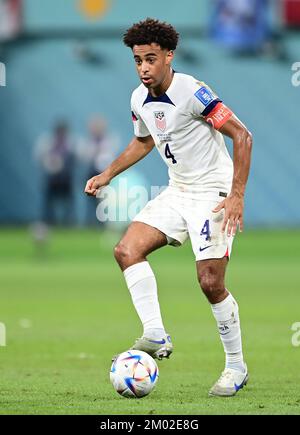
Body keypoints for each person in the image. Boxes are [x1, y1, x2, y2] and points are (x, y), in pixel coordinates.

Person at [85, 18, 252, 397]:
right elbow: (143, 141)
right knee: (126, 250)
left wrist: (237, 194)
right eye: (137, 60)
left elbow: (242, 135)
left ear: (169, 56)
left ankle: (236, 366)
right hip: (178, 191)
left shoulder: (194, 92)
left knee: (210, 283)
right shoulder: (138, 98)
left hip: (213, 194)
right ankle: (155, 332)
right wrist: (107, 173)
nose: (144, 67)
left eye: (151, 59)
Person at [35, 120, 75, 225]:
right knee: (49, 203)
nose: (61, 133)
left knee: (68, 203)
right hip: (52, 179)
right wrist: (50, 162)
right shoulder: (48, 142)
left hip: (65, 179)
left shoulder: (70, 143)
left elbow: (78, 157)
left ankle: (68, 223)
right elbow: (39, 157)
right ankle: (48, 222)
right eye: (59, 131)